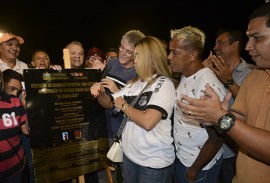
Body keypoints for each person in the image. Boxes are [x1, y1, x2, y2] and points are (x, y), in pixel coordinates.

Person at [177, 2, 270, 183]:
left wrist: (220, 117)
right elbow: (236, 124)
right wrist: (211, 114)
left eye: (257, 38)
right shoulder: (255, 77)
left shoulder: (248, 72)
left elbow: (229, 122)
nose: (249, 46)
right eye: (249, 38)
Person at [91, 36, 176, 183]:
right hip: (130, 157)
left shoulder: (164, 84)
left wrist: (123, 104)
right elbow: (110, 104)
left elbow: (148, 122)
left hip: (152, 162)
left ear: (151, 58)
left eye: (137, 55)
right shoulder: (135, 83)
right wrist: (101, 93)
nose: (135, 60)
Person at [168, 26, 226, 183]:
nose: (169, 57)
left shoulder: (207, 86)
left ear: (192, 55)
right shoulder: (186, 74)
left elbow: (217, 138)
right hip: (182, 158)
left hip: (199, 166)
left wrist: (193, 171)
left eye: (175, 53)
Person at [203, 30, 256, 183]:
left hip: (232, 150)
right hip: (207, 147)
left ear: (236, 45)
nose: (215, 46)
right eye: (215, 43)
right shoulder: (210, 70)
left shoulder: (253, 73)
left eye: (221, 43)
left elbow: (251, 106)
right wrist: (203, 72)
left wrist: (228, 81)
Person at [98, 29, 145, 182]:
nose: (122, 53)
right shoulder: (111, 63)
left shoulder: (140, 73)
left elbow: (137, 108)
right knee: (106, 172)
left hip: (126, 132)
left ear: (137, 53)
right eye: (121, 48)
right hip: (107, 127)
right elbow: (107, 100)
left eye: (129, 51)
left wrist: (116, 90)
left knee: (127, 175)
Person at [0, 69, 29, 183]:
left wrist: (26, 108)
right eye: (12, 89)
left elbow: (26, 131)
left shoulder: (16, 103)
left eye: (18, 92)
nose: (15, 95)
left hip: (15, 172)